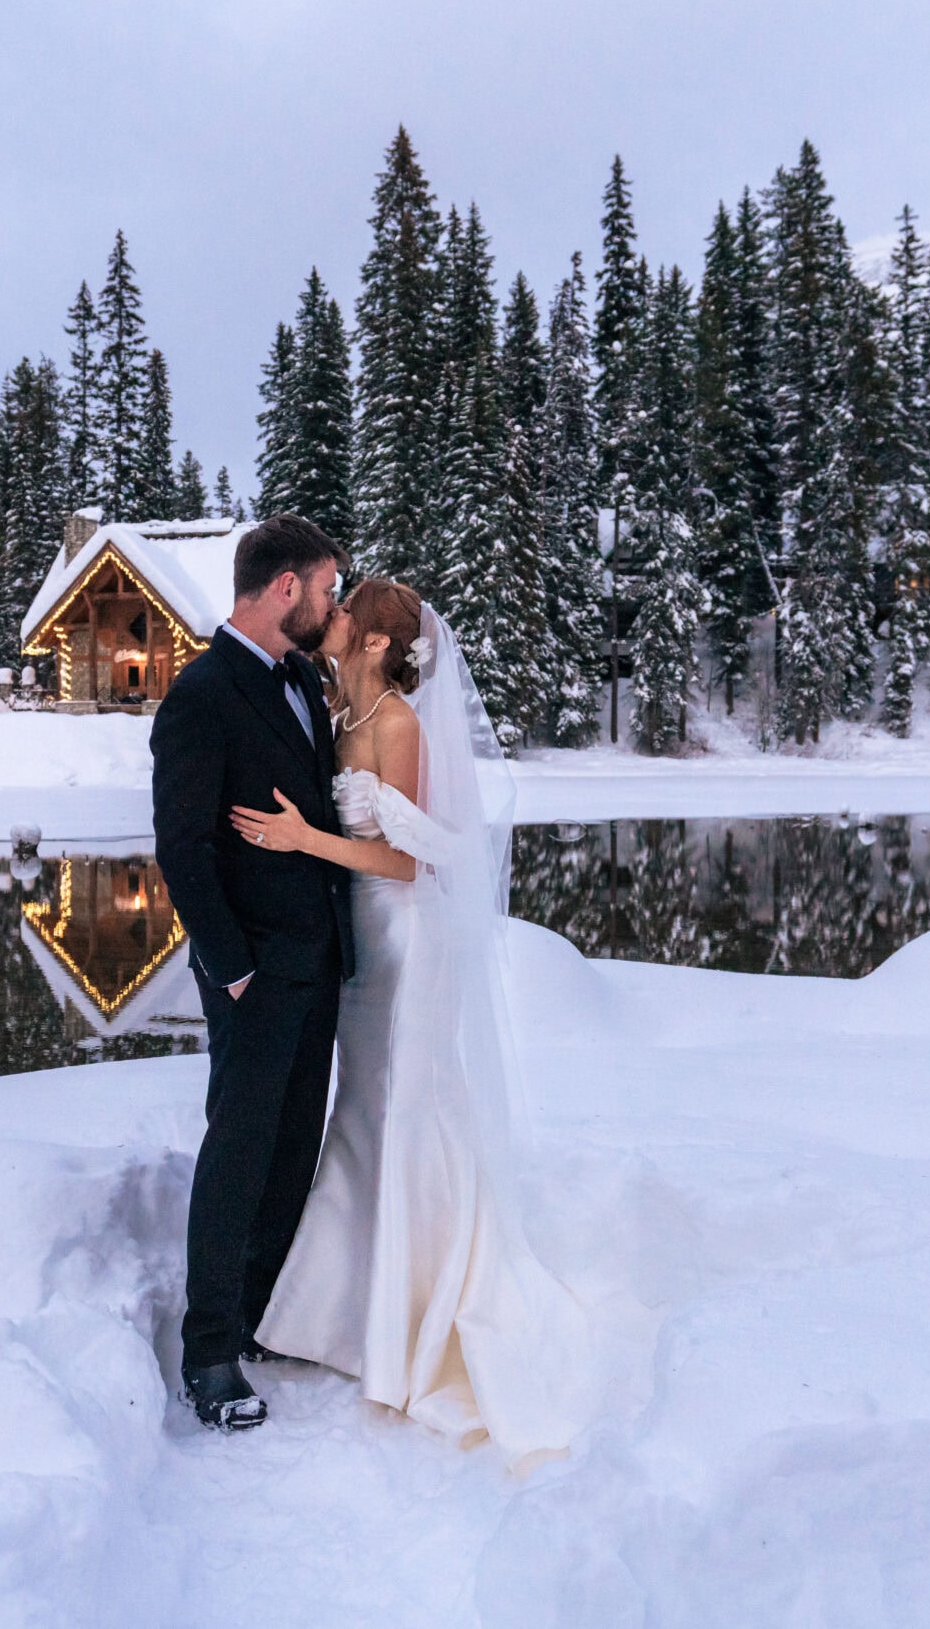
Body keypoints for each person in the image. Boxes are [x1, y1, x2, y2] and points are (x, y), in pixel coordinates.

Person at [233, 580, 594, 1459]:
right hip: (360, 937)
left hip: (409, 937)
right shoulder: (338, 709)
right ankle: (341, 1308)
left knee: (406, 1104)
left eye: (344, 610)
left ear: (373, 642)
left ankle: (412, 1314)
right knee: (363, 1104)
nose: (331, 615)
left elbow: (405, 861)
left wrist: (304, 839)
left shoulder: (398, 725)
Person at [148, 514, 353, 1431]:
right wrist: (231, 969)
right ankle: (208, 1350)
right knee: (238, 1153)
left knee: (292, 1145)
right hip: (255, 972)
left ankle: (262, 1314)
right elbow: (183, 848)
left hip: (318, 962)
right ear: (285, 587)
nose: (333, 605)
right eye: (327, 589)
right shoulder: (201, 695)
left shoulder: (302, 677)